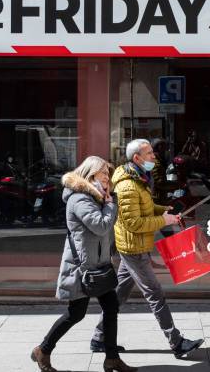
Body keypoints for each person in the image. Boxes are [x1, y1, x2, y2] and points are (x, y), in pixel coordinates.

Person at [90, 139, 204, 359]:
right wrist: (165, 220)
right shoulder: (128, 186)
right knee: (155, 295)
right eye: (150, 153)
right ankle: (177, 342)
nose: (154, 157)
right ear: (137, 158)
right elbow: (134, 223)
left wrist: (165, 209)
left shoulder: (138, 178)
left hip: (133, 246)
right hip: (134, 248)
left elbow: (146, 207)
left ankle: (99, 337)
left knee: (119, 294)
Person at [31, 156, 137, 372]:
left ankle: (112, 358)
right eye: (104, 173)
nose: (108, 177)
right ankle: (43, 349)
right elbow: (100, 226)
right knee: (75, 314)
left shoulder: (96, 197)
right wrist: (110, 204)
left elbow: (104, 233)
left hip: (98, 265)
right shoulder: (80, 199)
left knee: (111, 307)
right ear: (91, 174)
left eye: (108, 174)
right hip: (82, 268)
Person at [150, 138, 178, 205]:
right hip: (156, 199)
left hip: (156, 197)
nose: (165, 151)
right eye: (163, 149)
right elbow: (160, 183)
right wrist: (177, 184)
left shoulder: (155, 161)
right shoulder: (155, 163)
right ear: (157, 149)